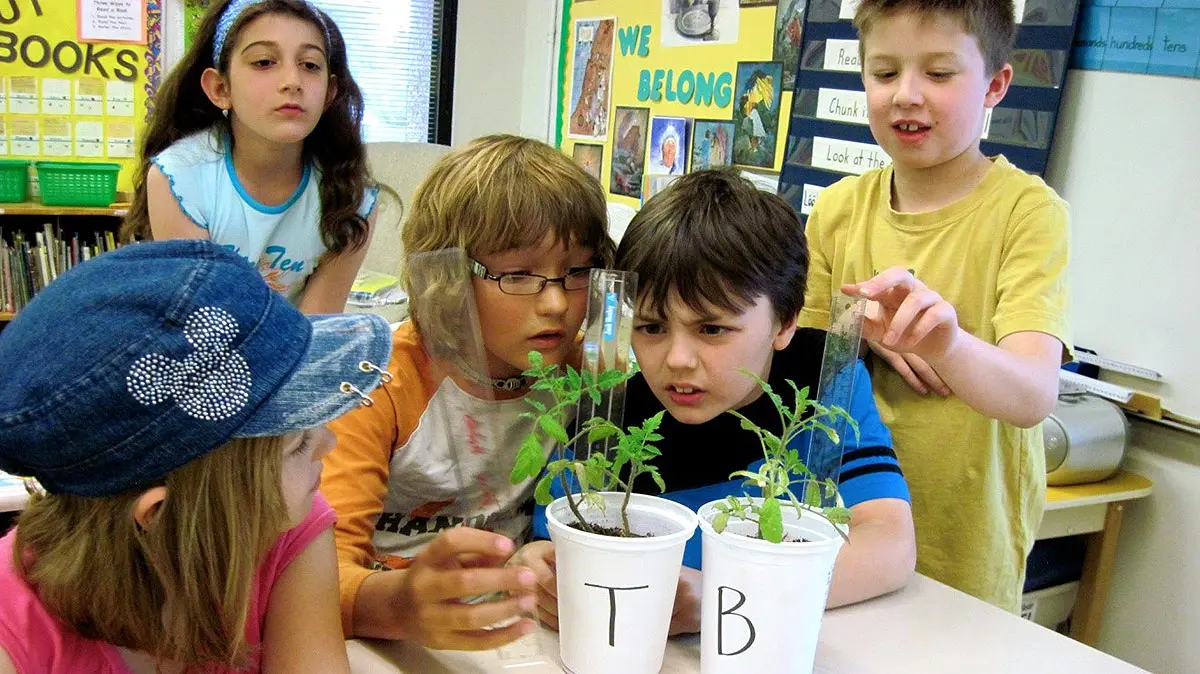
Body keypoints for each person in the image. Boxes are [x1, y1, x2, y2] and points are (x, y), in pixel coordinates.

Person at [518, 169, 916, 635]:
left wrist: (727, 597)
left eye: (711, 329)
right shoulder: (612, 411)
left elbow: (889, 546)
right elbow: (552, 544)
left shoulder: (825, 379)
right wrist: (538, 570)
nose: (677, 360)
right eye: (651, 327)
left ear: (785, 321)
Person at [0, 239, 393, 672]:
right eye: (298, 443)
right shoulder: (14, 630)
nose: (329, 445)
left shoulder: (286, 525)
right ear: (161, 514)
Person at [799, 0, 1071, 612]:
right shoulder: (839, 209)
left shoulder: (1028, 213)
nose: (906, 96)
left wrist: (944, 345)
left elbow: (1031, 395)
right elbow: (798, 365)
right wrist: (862, 333)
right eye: (885, 72)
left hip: (963, 547)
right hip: (840, 533)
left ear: (995, 85)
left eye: (940, 74)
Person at [320, 134, 617, 649]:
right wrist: (397, 605)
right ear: (449, 276)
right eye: (518, 274)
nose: (555, 303)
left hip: (517, 627)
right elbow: (315, 577)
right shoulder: (379, 383)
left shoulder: (586, 370)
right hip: (380, 635)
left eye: (576, 273)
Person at [123, 0, 384, 313]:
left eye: (310, 65)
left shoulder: (354, 200)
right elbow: (198, 325)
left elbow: (317, 333)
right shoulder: (179, 177)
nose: (292, 81)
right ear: (220, 88)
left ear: (329, 93)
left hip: (295, 354)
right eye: (263, 62)